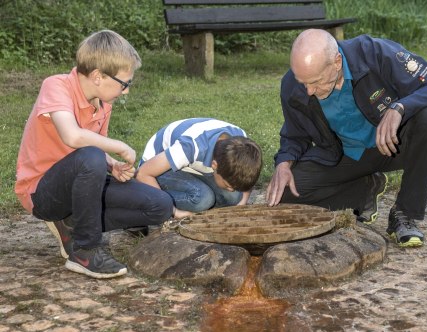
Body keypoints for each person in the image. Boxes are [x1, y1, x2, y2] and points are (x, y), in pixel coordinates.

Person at [15, 30, 187, 279]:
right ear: (97, 76)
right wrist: (116, 146)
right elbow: (73, 137)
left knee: (161, 206)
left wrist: (112, 165)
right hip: (43, 193)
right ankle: (85, 251)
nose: (126, 91)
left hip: (81, 176)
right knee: (92, 157)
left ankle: (75, 223)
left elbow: (91, 151)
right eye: (124, 83)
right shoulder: (56, 85)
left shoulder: (103, 103)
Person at [266, 29, 427, 247]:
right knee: (285, 194)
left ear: (336, 62)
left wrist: (400, 108)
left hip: (394, 145)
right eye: (303, 82)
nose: (309, 91)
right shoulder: (292, 85)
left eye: (316, 81)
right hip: (345, 156)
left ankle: (404, 214)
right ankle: (363, 190)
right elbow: (295, 133)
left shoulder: (375, 53)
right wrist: (283, 164)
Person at [136, 118, 263, 212]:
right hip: (155, 168)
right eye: (229, 185)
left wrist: (243, 202)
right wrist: (174, 212)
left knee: (234, 197)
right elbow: (143, 173)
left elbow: (247, 179)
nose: (232, 188)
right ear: (215, 165)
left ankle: (205, 209)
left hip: (189, 166)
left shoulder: (243, 145)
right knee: (203, 199)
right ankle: (143, 201)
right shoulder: (191, 147)